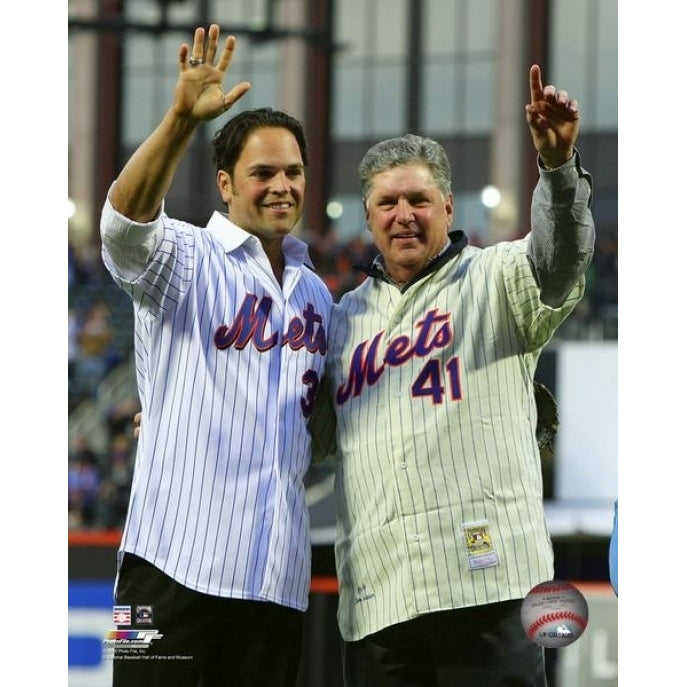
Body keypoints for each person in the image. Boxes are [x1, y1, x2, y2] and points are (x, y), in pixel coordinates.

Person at [310, 64, 595, 686]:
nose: (404, 214)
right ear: (368, 217)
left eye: (418, 200)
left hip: (486, 589)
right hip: (379, 604)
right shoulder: (341, 322)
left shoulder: (496, 278)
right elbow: (302, 441)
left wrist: (558, 170)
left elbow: (562, 258)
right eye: (388, 202)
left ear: (447, 205)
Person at [99, 23, 331, 686]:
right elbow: (122, 226)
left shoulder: (316, 293)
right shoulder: (184, 257)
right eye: (262, 172)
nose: (280, 184)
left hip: (274, 580)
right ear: (226, 183)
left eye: (292, 171)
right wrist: (178, 120)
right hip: (161, 566)